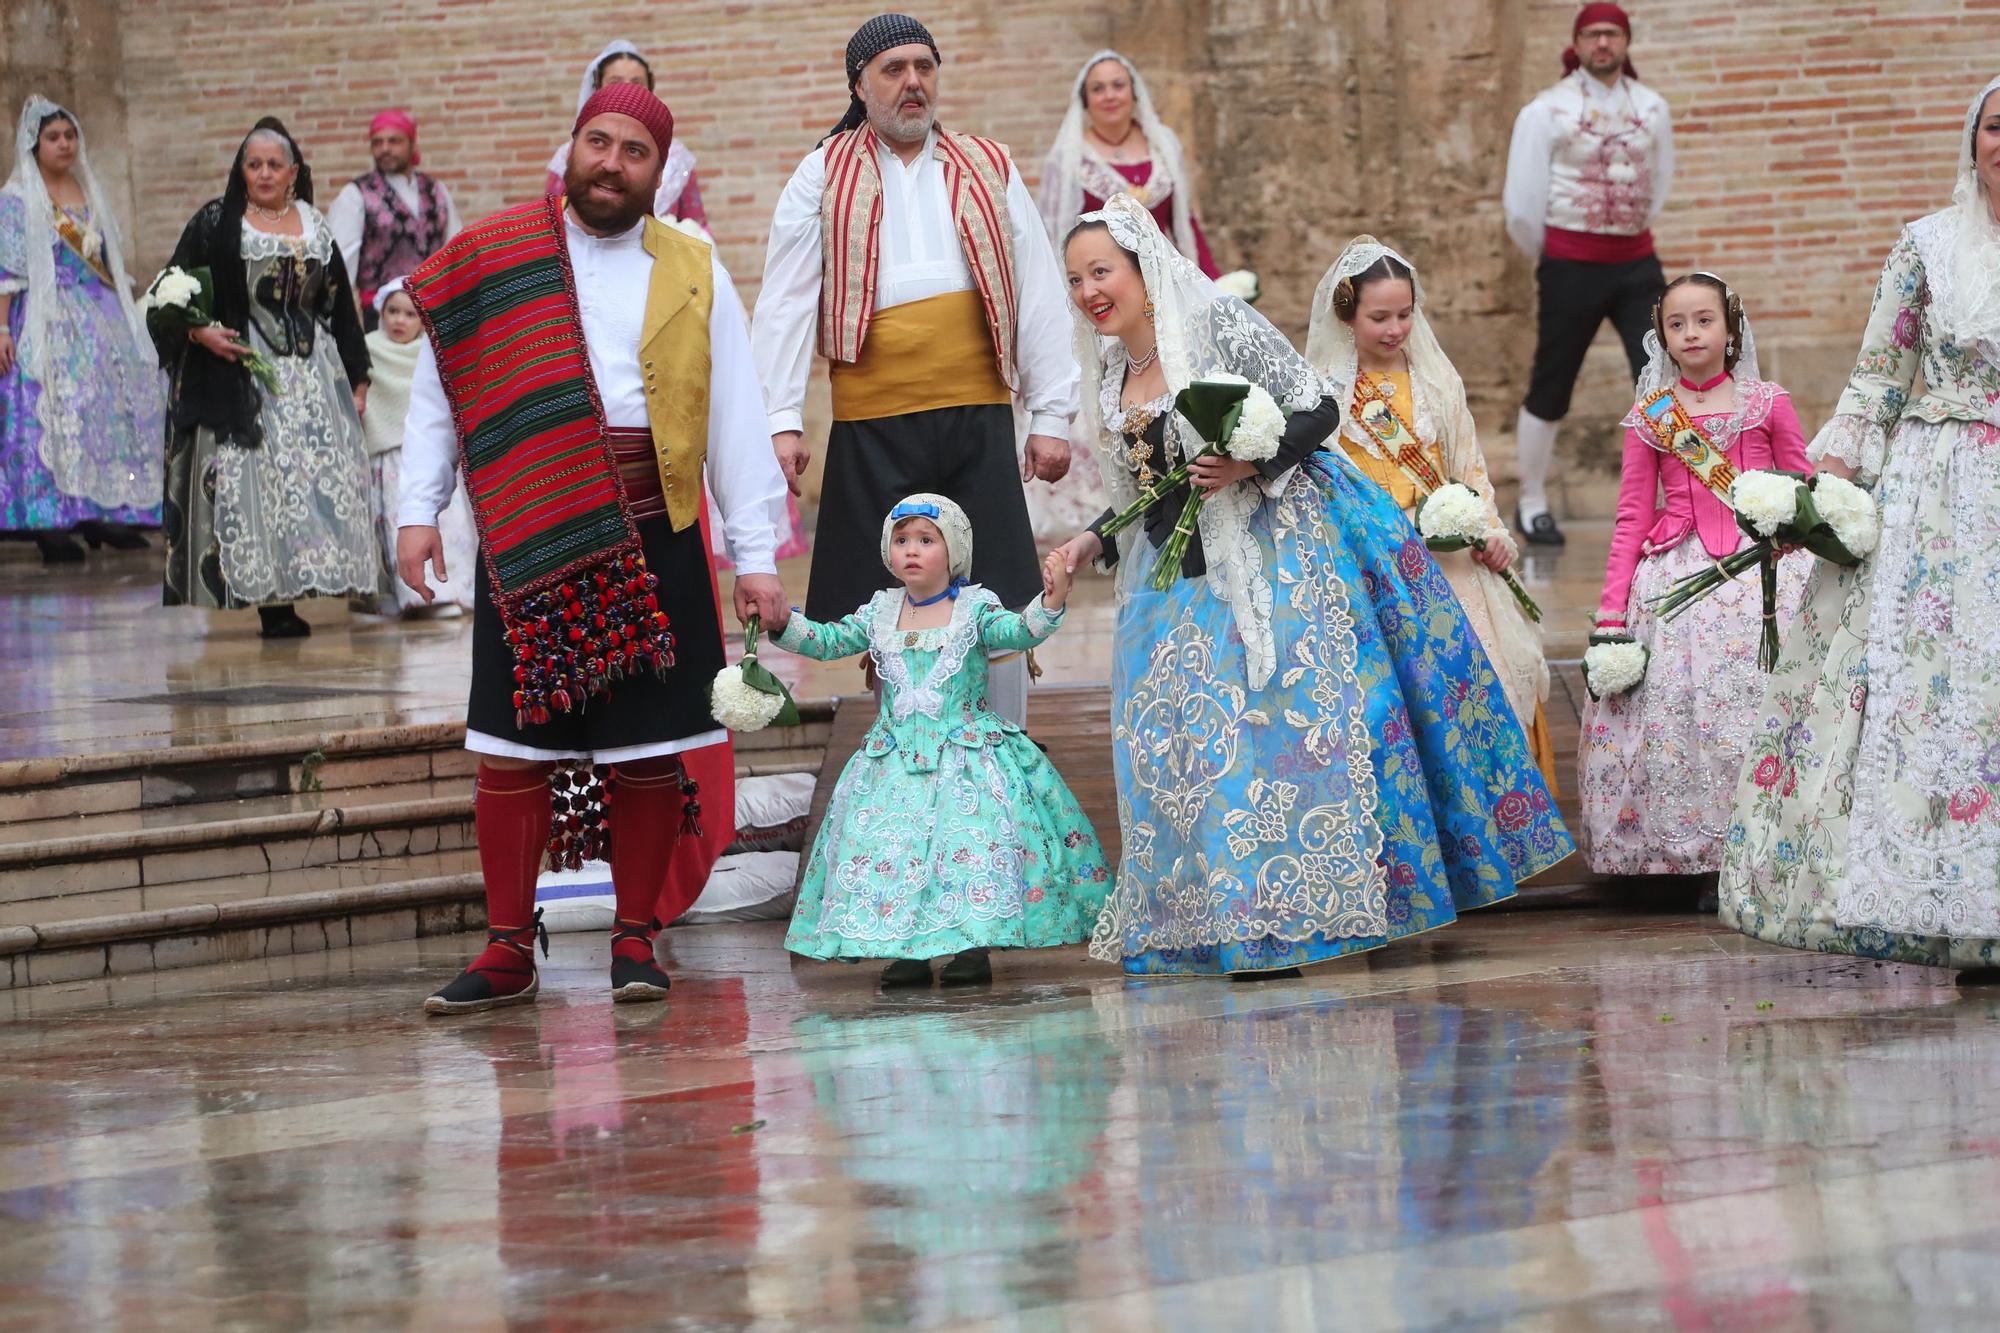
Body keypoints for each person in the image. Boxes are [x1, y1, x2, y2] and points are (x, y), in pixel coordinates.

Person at [1050, 196, 1572, 979]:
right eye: (1076, 278)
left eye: (1103, 270)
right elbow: (1146, 489)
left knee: (1285, 737)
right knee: (1199, 746)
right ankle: (1229, 915)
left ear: (1141, 269)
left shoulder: (1214, 327)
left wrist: (1250, 463)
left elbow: (1315, 407)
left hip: (1274, 554)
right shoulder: (1114, 372)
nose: (1091, 289)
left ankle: (1291, 921)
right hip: (1179, 578)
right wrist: (1090, 536)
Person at [398, 82, 789, 1014]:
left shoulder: (693, 266)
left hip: (655, 526)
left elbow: (731, 408)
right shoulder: (495, 258)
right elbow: (437, 391)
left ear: (661, 171)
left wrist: (758, 551)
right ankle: (505, 948)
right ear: (572, 148)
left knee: (651, 750)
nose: (612, 162)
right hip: (531, 522)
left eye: (635, 151)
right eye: (598, 143)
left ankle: (636, 936)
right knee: (511, 750)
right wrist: (419, 509)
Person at [1719, 76, 2000, 981]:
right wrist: (1820, 494)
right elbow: (1882, 372)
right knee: (1938, 686)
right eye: (1997, 127)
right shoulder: (1927, 245)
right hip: (1943, 489)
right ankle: (1947, 908)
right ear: (1974, 140)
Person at [751, 13, 1079, 729]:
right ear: (860, 85)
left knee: (992, 593)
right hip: (873, 424)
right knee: (888, 599)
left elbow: (1038, 289)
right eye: (894, 69)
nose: (912, 83)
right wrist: (779, 420)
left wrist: (1052, 415)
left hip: (977, 417)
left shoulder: (988, 164)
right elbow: (784, 300)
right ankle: (904, 761)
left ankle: (1004, 763)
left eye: (924, 68)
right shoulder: (822, 172)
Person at [769, 494, 1110, 987]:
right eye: (902, 540)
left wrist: (1052, 599)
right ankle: (905, 950)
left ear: (954, 553)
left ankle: (969, 946)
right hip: (893, 763)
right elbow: (827, 642)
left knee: (965, 849)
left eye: (926, 540)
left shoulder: (974, 608)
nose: (912, 550)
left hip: (967, 759)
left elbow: (1020, 632)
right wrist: (781, 622)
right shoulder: (880, 612)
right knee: (894, 854)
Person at [1579, 274, 1809, 894]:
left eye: (1704, 320)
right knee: (1685, 716)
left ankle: (1776, 843)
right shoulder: (1651, 419)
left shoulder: (1768, 402)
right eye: (1677, 324)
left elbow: (1804, 485)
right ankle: (1696, 855)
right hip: (1676, 572)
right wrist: (1610, 616)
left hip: (1764, 576)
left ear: (1730, 328)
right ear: (1663, 338)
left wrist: (1799, 534)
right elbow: (1632, 514)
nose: (1691, 334)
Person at [1306, 236, 1556, 788]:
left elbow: (1469, 466)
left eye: (1404, 314)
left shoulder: (1440, 383)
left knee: (1475, 680)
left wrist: (1488, 531)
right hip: (1373, 563)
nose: (1395, 329)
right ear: (1348, 316)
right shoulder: (1326, 394)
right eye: (1379, 317)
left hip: (1450, 563)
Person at [152, 118, 375, 639]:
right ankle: (264, 602)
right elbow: (169, 287)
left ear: (293, 171)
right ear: (242, 170)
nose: (265, 173)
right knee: (255, 487)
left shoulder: (314, 225)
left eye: (275, 164)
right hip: (243, 377)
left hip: (311, 378)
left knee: (302, 486)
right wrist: (199, 331)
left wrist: (358, 376)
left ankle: (293, 594)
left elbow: (338, 306)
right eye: (254, 164)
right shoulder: (217, 222)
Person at [1027, 49, 1219, 545]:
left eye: (1118, 85)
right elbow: (1054, 238)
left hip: (1165, 301)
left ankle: (1179, 494)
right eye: (1099, 88)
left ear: (1134, 93)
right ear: (1085, 101)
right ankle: (1110, 524)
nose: (1110, 95)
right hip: (1103, 303)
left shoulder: (1163, 145)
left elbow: (1185, 225)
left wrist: (1214, 290)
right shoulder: (1069, 158)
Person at [1502, 2, 1673, 546]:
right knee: (1553, 379)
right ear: (1576, 43)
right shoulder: (1545, 110)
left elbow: (1660, 183)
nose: (1603, 44)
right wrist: (1558, 255)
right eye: (1593, 35)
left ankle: (1679, 495)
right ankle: (1531, 501)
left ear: (1626, 42)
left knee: (1664, 372)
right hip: (1571, 262)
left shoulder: (1652, 107)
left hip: (1636, 260)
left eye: (1612, 35)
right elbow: (1522, 206)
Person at [0, 97, 162, 563]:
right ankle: (50, 521)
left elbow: (108, 256)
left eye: (70, 136)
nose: (64, 144)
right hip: (47, 318)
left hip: (100, 313)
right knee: (49, 415)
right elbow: (8, 267)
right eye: (54, 137)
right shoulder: (15, 197)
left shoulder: (86, 187)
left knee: (103, 414)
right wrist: (2, 328)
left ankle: (102, 513)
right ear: (34, 145)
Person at [357, 277, 474, 616]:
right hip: (388, 460)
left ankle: (451, 591)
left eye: (410, 315)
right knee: (397, 522)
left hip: (427, 456)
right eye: (393, 311)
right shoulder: (369, 350)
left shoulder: (434, 353)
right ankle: (413, 596)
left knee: (446, 524)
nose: (399, 321)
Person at [544, 41, 707, 230]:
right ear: (598, 86)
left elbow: (696, 225)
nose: (627, 92)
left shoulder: (677, 158)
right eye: (616, 83)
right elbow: (553, 224)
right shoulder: (570, 156)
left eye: (637, 84)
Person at [326, 109, 461, 332]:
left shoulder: (436, 190)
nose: (385, 149)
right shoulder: (356, 194)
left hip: (433, 316)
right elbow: (340, 265)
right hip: (383, 319)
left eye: (394, 141)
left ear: (412, 144)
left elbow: (456, 251)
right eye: (377, 142)